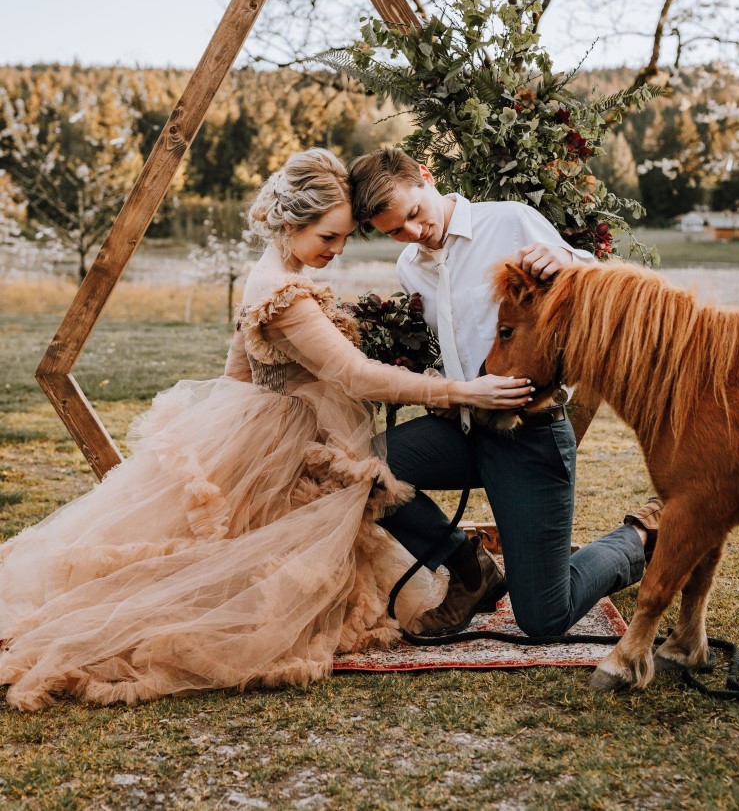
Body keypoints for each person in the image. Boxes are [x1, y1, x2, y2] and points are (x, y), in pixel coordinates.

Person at [0, 148, 526, 710]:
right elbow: (352, 374)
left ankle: (465, 563)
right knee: (343, 497)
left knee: (363, 481)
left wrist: (233, 428)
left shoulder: (278, 271)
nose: (337, 250)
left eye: (345, 239)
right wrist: (461, 390)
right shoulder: (282, 293)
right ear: (292, 224)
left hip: (282, 424)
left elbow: (238, 367)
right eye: (329, 238)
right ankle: (465, 561)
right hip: (290, 427)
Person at [348, 147, 662, 639]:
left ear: (426, 178)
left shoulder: (511, 222)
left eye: (413, 214)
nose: (412, 233)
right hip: (464, 431)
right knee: (361, 472)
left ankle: (640, 536)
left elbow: (601, 290)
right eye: (394, 231)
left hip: (531, 438)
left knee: (544, 618)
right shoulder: (411, 266)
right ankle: (470, 570)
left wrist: (568, 260)